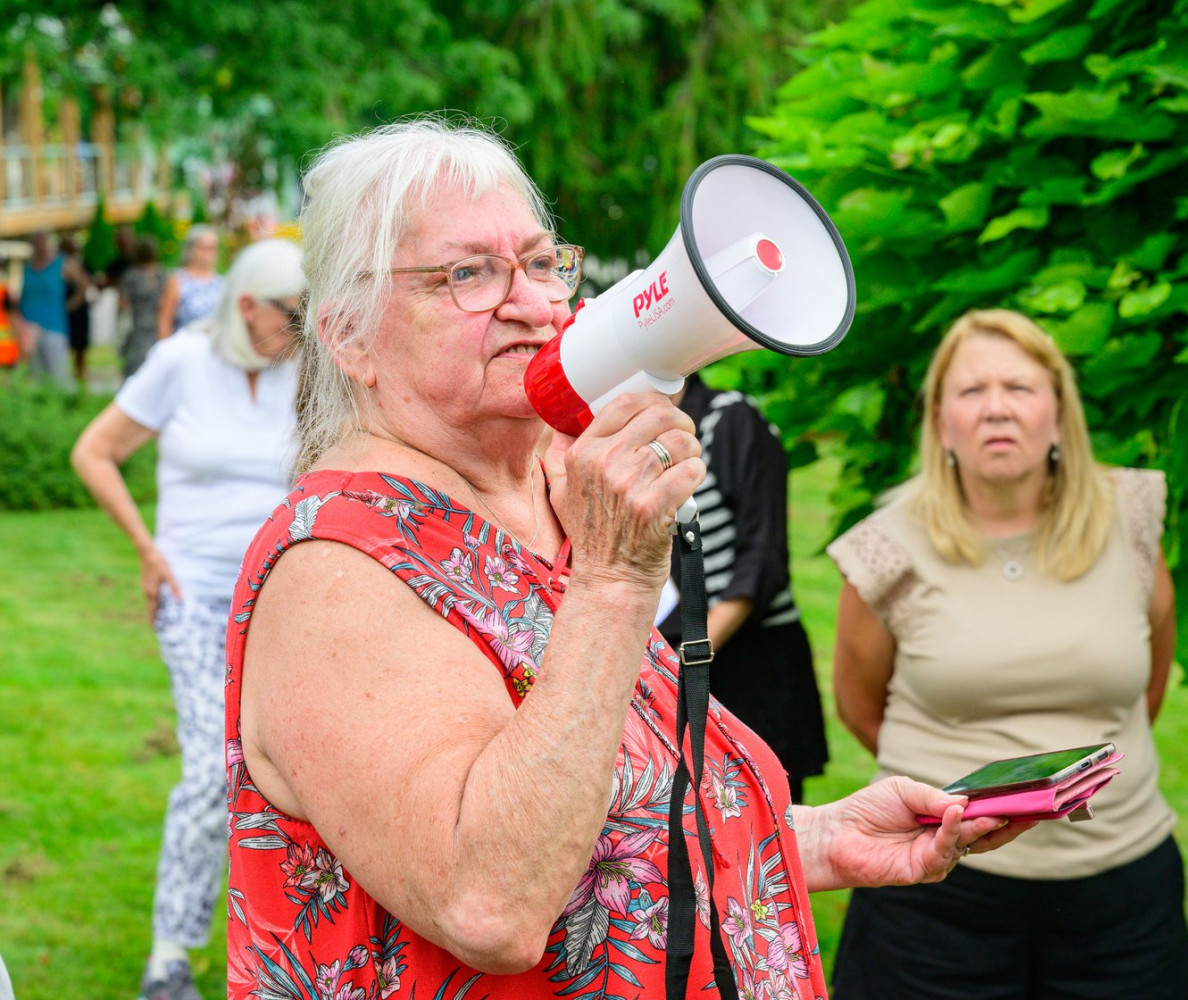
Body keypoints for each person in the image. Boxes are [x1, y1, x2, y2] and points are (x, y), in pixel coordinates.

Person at [222, 119, 1032, 1000]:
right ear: (347, 336)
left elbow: (602, 831)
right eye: (466, 273)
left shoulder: (538, 499)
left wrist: (816, 839)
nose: (533, 303)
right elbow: (490, 901)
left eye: (539, 263)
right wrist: (613, 581)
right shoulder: (337, 569)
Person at [827, 308, 1188, 999]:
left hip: (1122, 901)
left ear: (1059, 412)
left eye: (1020, 388)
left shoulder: (1133, 518)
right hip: (934, 896)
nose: (996, 408)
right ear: (940, 422)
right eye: (970, 392)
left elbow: (1144, 688)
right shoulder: (884, 546)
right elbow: (859, 705)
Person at [71, 238, 305, 1000]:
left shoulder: (308, 371)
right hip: (196, 596)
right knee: (212, 770)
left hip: (289, 602)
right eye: (291, 314)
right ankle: (168, 960)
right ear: (247, 306)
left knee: (297, 776)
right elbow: (94, 451)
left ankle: (293, 954)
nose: (304, 329)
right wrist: (147, 548)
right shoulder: (181, 361)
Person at [657, 372, 828, 804]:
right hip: (667, 666)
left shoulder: (728, 419)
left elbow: (762, 563)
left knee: (769, 824)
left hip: (744, 665)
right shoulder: (618, 436)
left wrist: (685, 662)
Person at [14, 230, 91, 389]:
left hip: (53, 325)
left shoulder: (61, 264)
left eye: (43, 241)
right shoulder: (27, 267)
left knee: (58, 375)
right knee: (33, 376)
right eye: (37, 242)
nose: (41, 246)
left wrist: (70, 305)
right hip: (28, 327)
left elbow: (84, 284)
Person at [156, 225, 223, 339]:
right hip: (185, 350)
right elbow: (164, 321)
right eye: (205, 248)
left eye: (212, 248)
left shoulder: (222, 283)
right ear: (191, 249)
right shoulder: (178, 281)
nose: (209, 253)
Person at [118, 235, 170, 378]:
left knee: (136, 368)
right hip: (160, 327)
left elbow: (122, 305)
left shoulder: (130, 276)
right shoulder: (164, 274)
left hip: (138, 327)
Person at [59, 233, 94, 387]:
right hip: (66, 312)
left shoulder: (75, 264)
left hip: (77, 312)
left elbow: (85, 284)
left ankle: (80, 378)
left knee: (79, 348)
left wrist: (72, 303)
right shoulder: (60, 263)